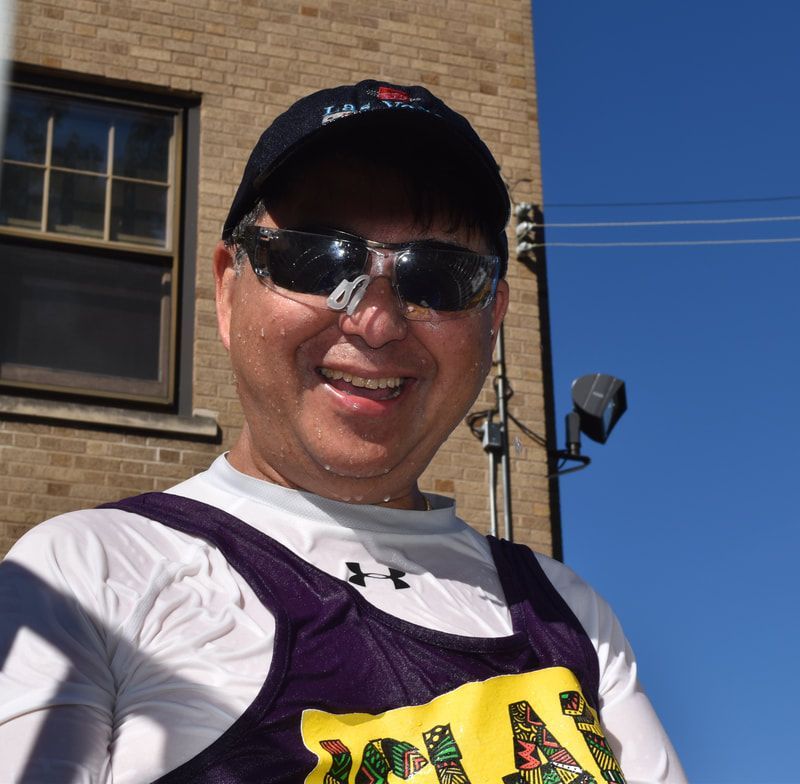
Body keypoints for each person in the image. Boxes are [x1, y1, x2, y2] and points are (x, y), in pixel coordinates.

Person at [0, 81, 686, 783]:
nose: (377, 322)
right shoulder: (92, 575)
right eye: (317, 260)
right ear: (228, 290)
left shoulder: (569, 615)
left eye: (440, 277)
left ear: (492, 319)